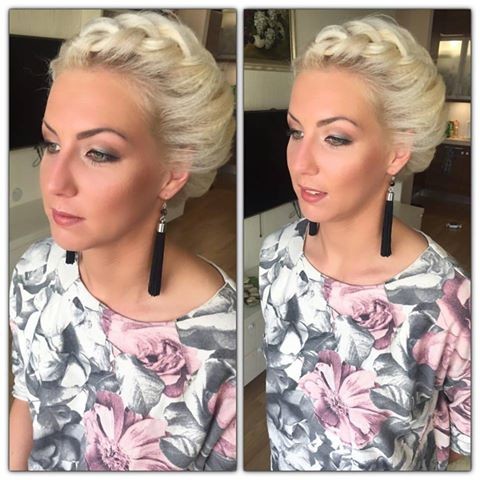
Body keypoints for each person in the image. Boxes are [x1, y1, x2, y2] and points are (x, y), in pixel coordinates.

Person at [9, 11, 236, 471]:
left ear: (172, 172)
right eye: (52, 144)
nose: (55, 182)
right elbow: (26, 404)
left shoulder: (222, 345)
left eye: (98, 153)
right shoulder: (35, 271)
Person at [259, 14, 470, 471]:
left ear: (396, 152)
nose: (301, 162)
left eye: (335, 138)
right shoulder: (276, 254)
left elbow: (461, 448)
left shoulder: (446, 300)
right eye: (296, 131)